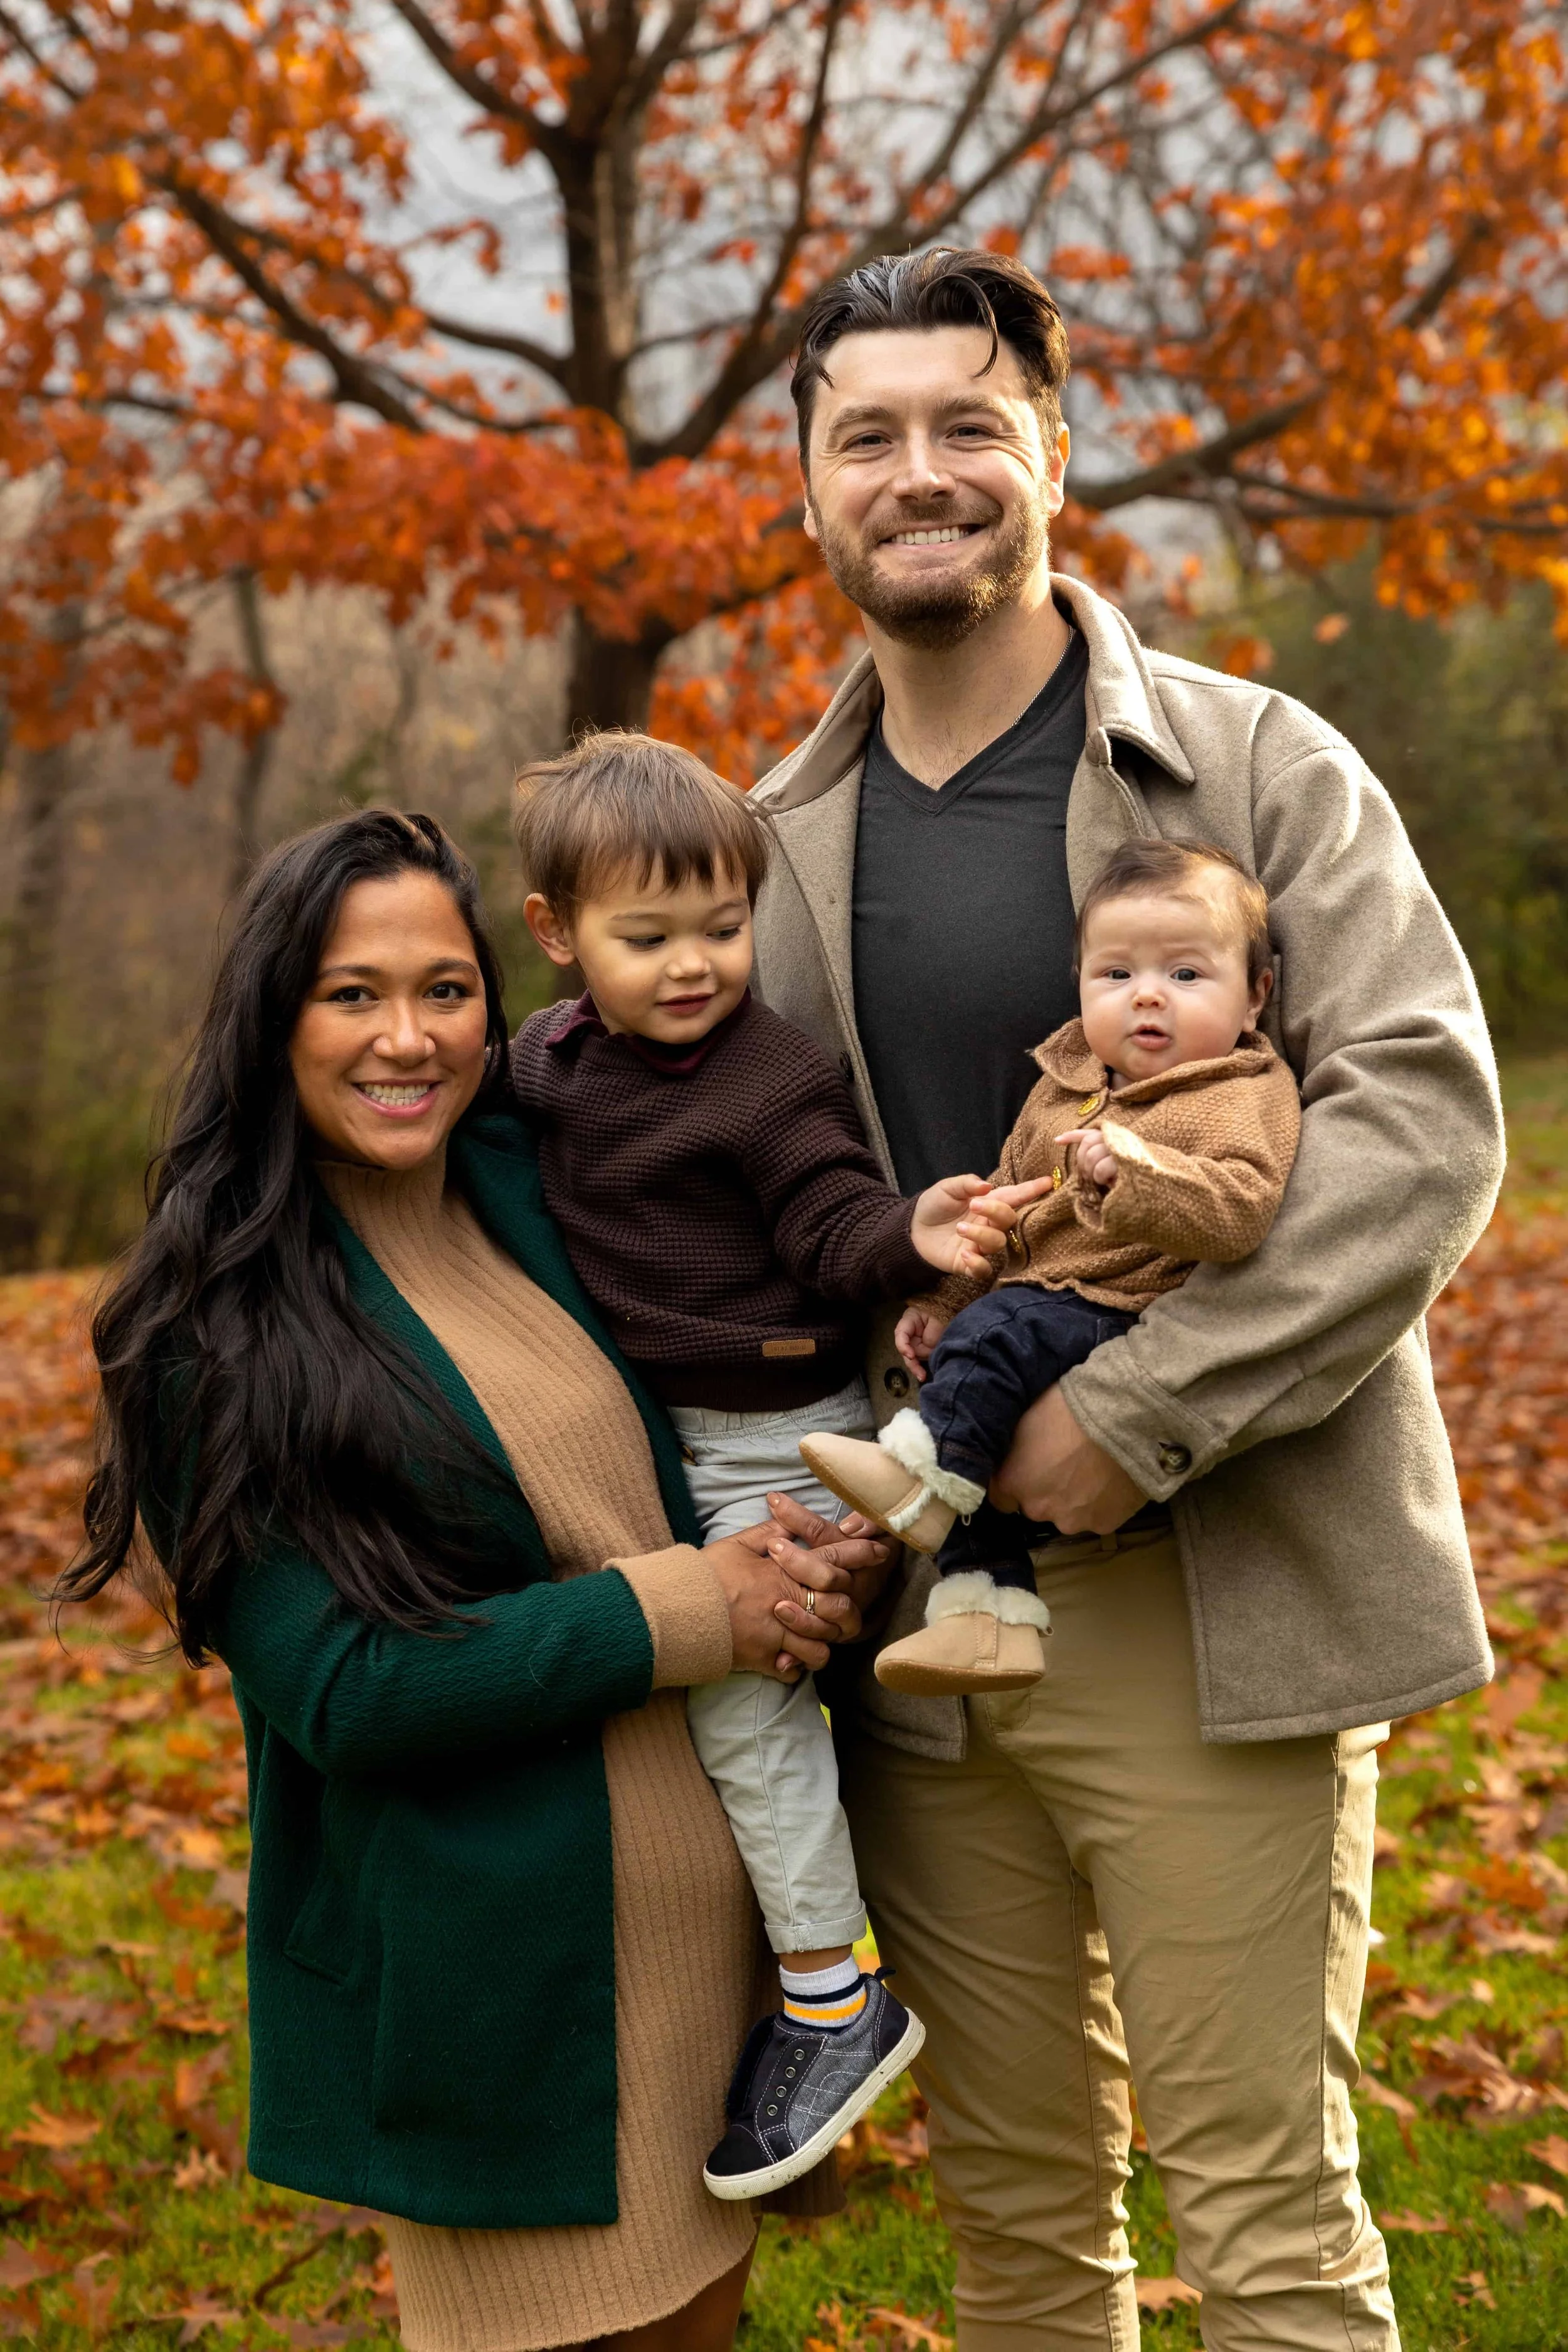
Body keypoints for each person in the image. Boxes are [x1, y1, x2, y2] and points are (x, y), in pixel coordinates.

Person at [751, 244, 1503, 2348]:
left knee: (1266, 2224)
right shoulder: (770, 840)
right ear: (807, 485)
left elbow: (1421, 1123)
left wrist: (1136, 1409)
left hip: (1210, 1596)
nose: (920, 471)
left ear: (1057, 458)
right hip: (920, 1640)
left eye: (969, 424)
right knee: (1016, 2230)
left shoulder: (1255, 767)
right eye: (866, 435)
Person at [58, 809, 895, 2352]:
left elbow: (687, 1445)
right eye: (352, 994)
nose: (409, 1039)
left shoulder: (531, 1187)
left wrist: (795, 1570)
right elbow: (347, 1692)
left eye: (445, 990)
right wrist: (688, 1610)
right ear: (272, 1018)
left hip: (704, 1961)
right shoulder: (212, 1334)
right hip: (507, 1998)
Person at [510, 731, 1047, 2197]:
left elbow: (826, 1215)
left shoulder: (767, 1078)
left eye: (722, 926)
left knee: (744, 1712)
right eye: (647, 938)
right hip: (649, 1438)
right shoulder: (546, 1064)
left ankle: (829, 1994)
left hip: (771, 1438)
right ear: (556, 934)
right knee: (679, 1720)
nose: (694, 965)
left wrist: (907, 1234)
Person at [803, 835, 1300, 1695]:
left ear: (1255, 995)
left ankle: (918, 1482)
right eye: (1116, 974)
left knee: (994, 1344)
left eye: (1186, 974)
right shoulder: (1063, 1083)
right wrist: (948, 1295)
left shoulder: (1241, 1092)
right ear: (1079, 982)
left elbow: (1241, 1209)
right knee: (977, 1401)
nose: (1147, 994)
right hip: (1041, 1300)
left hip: (1126, 1306)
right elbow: (1011, 1203)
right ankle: (986, 1618)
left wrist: (1136, 1174)